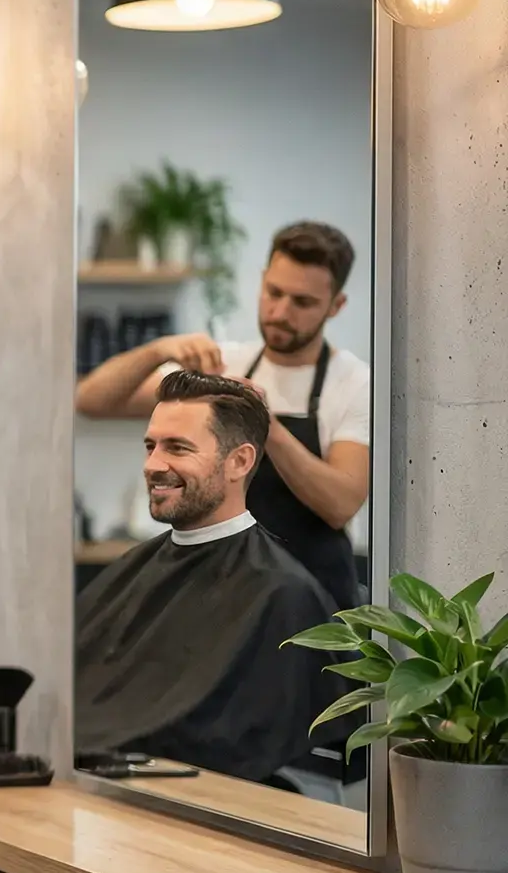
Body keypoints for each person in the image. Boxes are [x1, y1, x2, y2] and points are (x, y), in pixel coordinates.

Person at [74, 222, 370, 607]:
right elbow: (92, 400)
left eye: (302, 302)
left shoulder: (354, 382)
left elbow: (340, 505)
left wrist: (269, 427)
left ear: (336, 305)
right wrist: (158, 350)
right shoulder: (226, 363)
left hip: (314, 603)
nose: (281, 312)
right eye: (274, 292)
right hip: (224, 591)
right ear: (263, 280)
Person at [76, 371, 349, 786]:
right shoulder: (131, 570)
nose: (153, 465)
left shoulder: (281, 595)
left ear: (239, 461)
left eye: (177, 448)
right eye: (150, 446)